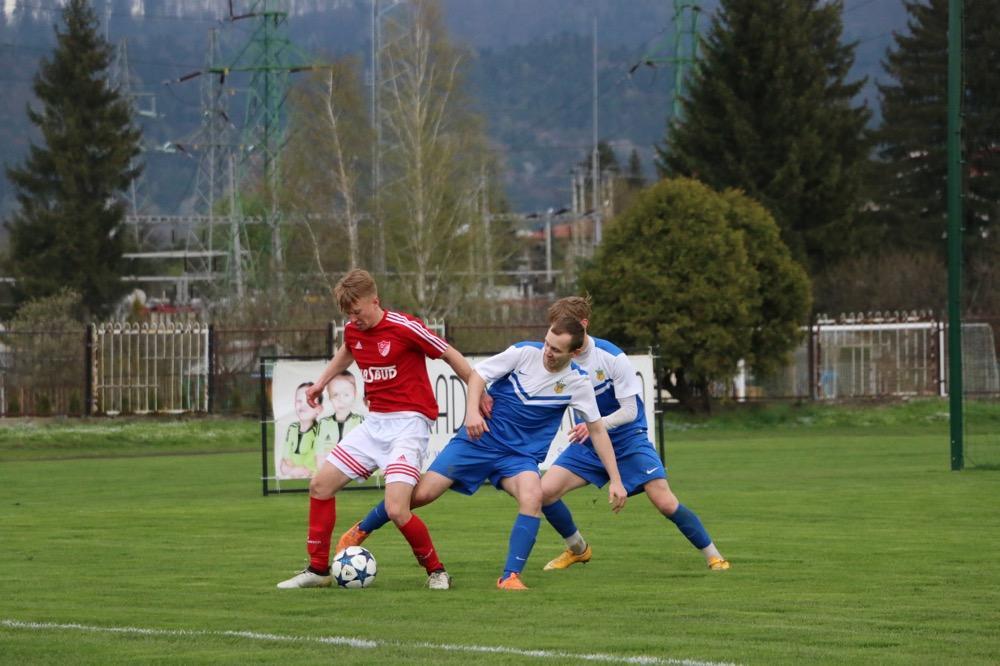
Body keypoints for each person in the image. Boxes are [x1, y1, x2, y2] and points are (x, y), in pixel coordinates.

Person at [336, 316, 628, 590]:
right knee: (422, 495)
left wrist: (615, 479)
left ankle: (510, 577)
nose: (547, 352)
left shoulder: (578, 383)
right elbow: (477, 376)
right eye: (548, 343)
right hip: (478, 440)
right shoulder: (524, 353)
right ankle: (362, 528)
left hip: (518, 457)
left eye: (556, 349)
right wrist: (472, 413)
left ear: (574, 353)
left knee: (533, 496)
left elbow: (598, 431)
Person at [276, 269, 475, 591]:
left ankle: (437, 571)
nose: (354, 319)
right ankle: (317, 570)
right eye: (348, 314)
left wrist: (479, 393)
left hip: (410, 423)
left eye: (357, 311)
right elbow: (347, 352)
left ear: (375, 300)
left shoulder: (404, 326)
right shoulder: (354, 331)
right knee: (319, 485)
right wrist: (320, 384)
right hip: (375, 424)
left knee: (397, 508)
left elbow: (449, 354)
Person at [539, 296, 730, 572]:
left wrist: (596, 425)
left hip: (628, 439)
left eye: (563, 328)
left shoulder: (611, 357)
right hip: (589, 443)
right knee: (543, 493)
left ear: (582, 325)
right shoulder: (555, 359)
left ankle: (715, 556)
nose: (555, 340)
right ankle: (578, 549)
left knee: (664, 501)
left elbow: (630, 411)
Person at [315, 371, 365, 469]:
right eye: (335, 395)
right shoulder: (323, 424)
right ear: (329, 396)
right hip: (329, 473)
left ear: (354, 395)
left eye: (346, 395)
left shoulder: (360, 421)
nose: (340, 399)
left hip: (354, 471)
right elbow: (319, 456)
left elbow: (363, 454)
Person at [279, 382, 324, 479]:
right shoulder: (292, 429)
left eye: (309, 401)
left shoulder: (320, 432)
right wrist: (294, 470)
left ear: (319, 409)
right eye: (299, 401)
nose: (303, 405)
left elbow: (316, 466)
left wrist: (296, 469)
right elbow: (283, 466)